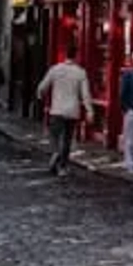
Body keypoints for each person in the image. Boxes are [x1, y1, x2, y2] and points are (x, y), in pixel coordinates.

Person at [36, 42, 94, 177]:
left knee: (54, 136)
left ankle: (56, 152)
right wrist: (90, 110)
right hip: (72, 111)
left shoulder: (55, 69)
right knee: (67, 140)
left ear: (65, 55)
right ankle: (62, 167)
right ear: (76, 56)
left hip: (57, 109)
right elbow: (85, 94)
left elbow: (42, 87)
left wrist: (40, 96)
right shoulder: (80, 72)